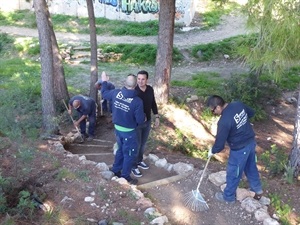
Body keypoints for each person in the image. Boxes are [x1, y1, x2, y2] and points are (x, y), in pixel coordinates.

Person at [206, 95, 263, 203]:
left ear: (218, 107)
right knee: (251, 167)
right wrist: (241, 125)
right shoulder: (238, 104)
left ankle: (228, 197)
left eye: (213, 111)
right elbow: (251, 113)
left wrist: (212, 151)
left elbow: (220, 144)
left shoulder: (224, 121)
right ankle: (257, 190)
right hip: (251, 143)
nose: (213, 113)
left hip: (240, 149)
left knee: (233, 172)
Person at [101, 71, 145, 185]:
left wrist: (104, 81)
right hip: (129, 133)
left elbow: (104, 93)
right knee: (129, 154)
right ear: (136, 86)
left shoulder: (116, 93)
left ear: (125, 83)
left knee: (120, 150)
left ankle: (115, 170)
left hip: (118, 130)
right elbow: (140, 120)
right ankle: (125, 176)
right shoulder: (137, 101)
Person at [131, 70, 160, 178]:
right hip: (136, 123)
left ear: (147, 80)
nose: (140, 81)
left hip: (147, 122)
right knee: (136, 145)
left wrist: (156, 116)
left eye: (143, 79)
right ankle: (133, 166)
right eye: (138, 79)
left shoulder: (150, 89)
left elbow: (153, 103)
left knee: (143, 144)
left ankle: (139, 161)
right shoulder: (134, 91)